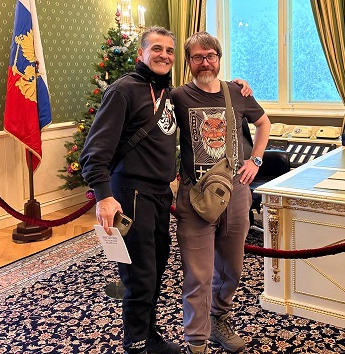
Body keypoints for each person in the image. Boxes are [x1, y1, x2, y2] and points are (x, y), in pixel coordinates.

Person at [80, 26, 181, 354]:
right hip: (131, 194)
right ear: (141, 53)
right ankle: (136, 344)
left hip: (160, 195)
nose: (164, 55)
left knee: (157, 266)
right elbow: (94, 151)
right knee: (140, 275)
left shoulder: (168, 92)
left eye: (169, 50)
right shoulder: (123, 90)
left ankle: (148, 335)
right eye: (157, 49)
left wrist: (238, 88)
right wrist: (104, 196)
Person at [172, 32, 271, 354]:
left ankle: (219, 318)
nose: (205, 62)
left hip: (236, 192)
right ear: (188, 61)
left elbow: (264, 123)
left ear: (219, 58)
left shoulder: (237, 92)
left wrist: (256, 160)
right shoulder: (178, 96)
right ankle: (196, 341)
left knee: (232, 269)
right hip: (195, 196)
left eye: (210, 56)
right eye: (197, 57)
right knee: (198, 275)